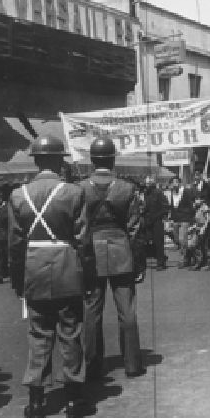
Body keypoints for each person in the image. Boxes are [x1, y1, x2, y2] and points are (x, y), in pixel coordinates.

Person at [8, 134, 97, 418]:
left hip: (34, 268)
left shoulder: (18, 195)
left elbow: (14, 245)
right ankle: (74, 399)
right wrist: (88, 277)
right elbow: (83, 241)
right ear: (60, 160)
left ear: (35, 160)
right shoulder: (73, 193)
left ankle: (36, 399)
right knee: (70, 332)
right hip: (66, 267)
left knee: (38, 333)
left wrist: (19, 280)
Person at [80, 137, 146, 380]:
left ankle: (92, 365)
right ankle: (132, 363)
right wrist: (138, 262)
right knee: (127, 311)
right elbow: (135, 229)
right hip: (121, 251)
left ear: (92, 159)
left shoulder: (80, 188)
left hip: (92, 254)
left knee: (91, 311)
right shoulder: (127, 188)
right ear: (113, 158)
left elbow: (79, 228)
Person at [166, 175, 197, 268]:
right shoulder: (171, 193)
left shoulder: (186, 192)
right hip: (175, 219)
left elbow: (192, 204)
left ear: (179, 183)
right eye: (173, 183)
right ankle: (190, 255)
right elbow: (171, 206)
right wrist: (170, 218)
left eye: (176, 182)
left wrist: (191, 217)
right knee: (176, 239)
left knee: (182, 240)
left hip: (185, 219)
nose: (175, 184)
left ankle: (183, 259)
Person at [142, 175, 169, 270]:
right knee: (147, 241)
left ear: (153, 184)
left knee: (158, 243)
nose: (147, 185)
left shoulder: (158, 193)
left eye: (149, 183)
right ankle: (161, 257)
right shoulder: (146, 193)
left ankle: (161, 263)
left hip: (157, 221)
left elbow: (165, 207)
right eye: (146, 183)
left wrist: (157, 216)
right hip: (148, 221)